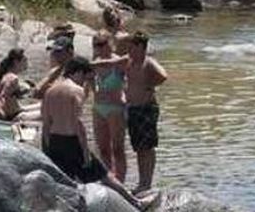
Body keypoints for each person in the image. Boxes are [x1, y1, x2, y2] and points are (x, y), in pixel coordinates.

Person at [41, 51, 148, 208]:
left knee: (64, 182)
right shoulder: (75, 91)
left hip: (55, 140)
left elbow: (46, 122)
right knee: (105, 176)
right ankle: (135, 203)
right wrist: (85, 151)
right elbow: (77, 123)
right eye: (84, 77)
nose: (84, 82)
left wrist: (46, 147)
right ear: (78, 72)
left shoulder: (50, 91)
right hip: (73, 142)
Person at [125, 31, 168, 194]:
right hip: (133, 109)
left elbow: (163, 76)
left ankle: (147, 183)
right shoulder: (130, 63)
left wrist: (150, 85)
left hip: (146, 108)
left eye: (132, 47)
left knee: (148, 147)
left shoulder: (148, 62)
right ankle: (141, 181)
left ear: (141, 47)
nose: (129, 49)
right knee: (138, 147)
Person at [90, 31, 132, 182]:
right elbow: (90, 84)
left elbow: (130, 77)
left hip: (116, 109)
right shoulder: (94, 62)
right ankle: (109, 179)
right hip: (98, 108)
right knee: (103, 149)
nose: (99, 48)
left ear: (111, 43)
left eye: (102, 44)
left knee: (118, 149)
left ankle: (121, 181)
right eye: (96, 45)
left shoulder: (118, 62)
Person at [0, 48, 33, 120]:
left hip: (13, 113)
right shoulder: (13, 78)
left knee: (42, 106)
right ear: (16, 62)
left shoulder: (6, 76)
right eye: (25, 60)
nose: (27, 63)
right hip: (12, 116)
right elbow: (4, 97)